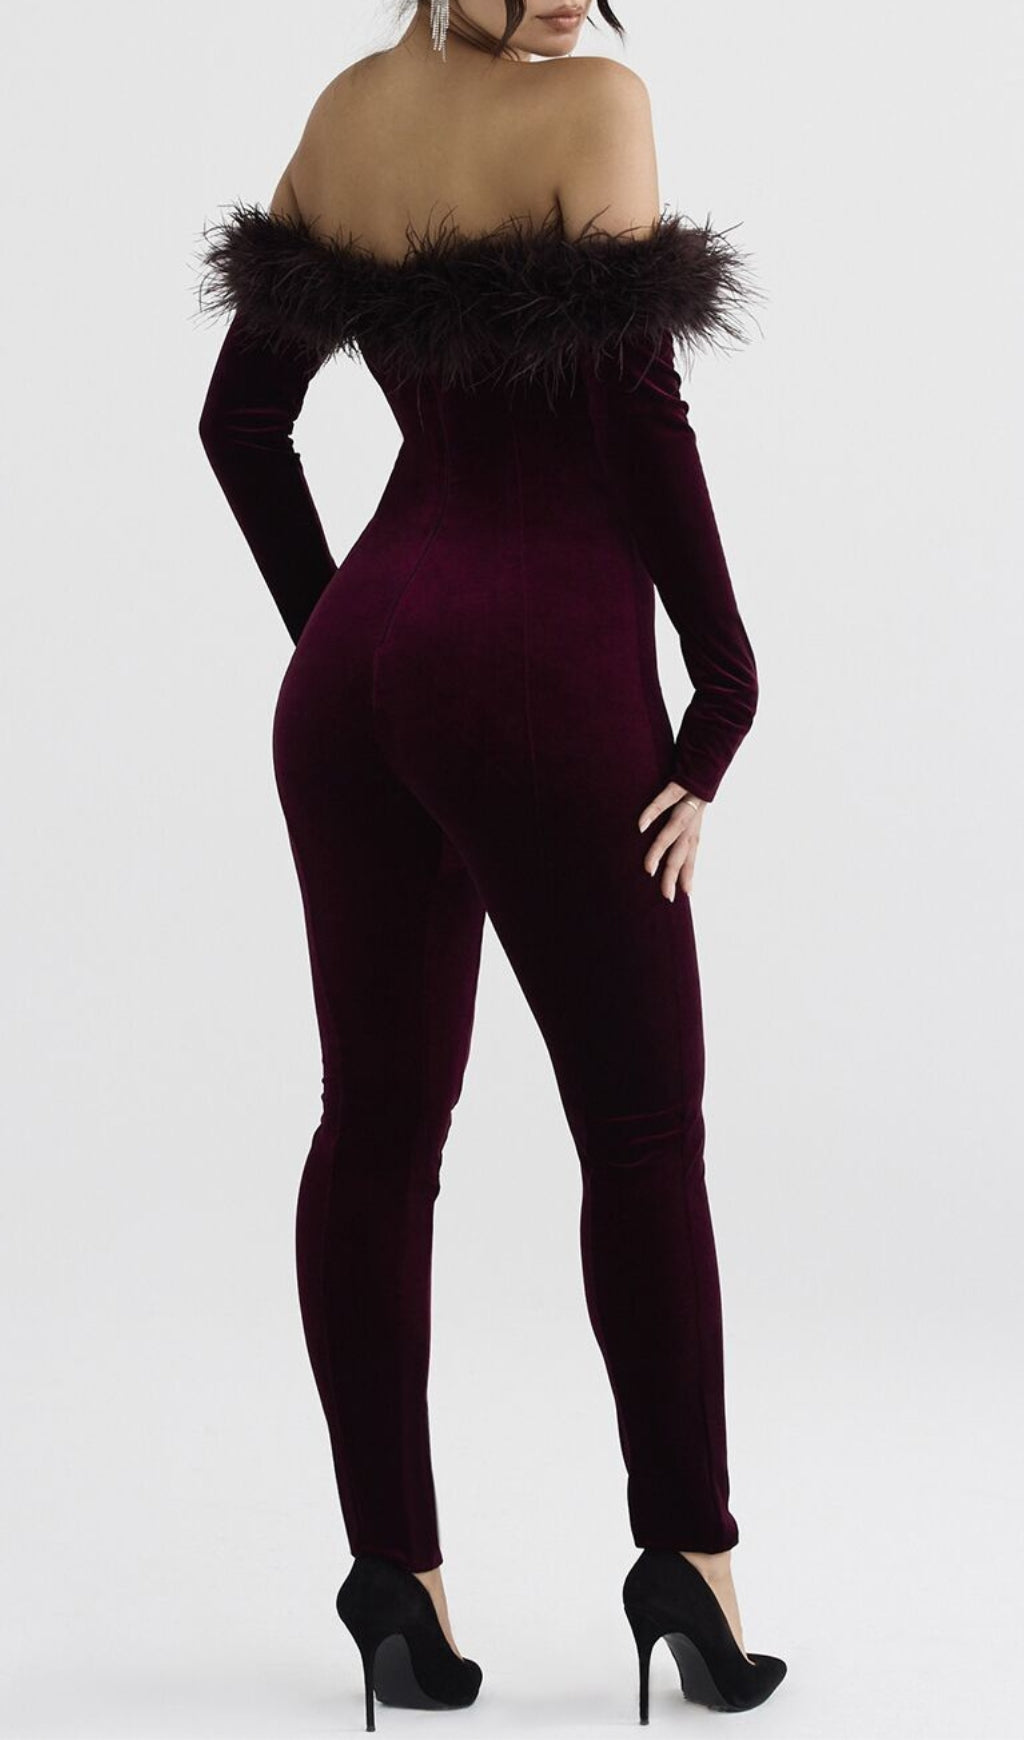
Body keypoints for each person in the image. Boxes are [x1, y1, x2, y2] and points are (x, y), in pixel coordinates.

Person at [194, 0, 787, 1725]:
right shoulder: (596, 107)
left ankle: (398, 1581)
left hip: (360, 665)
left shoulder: (343, 114)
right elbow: (638, 416)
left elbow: (241, 423)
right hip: (539, 659)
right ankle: (688, 1564)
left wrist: (358, 643)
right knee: (643, 1131)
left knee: (375, 1130)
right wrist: (725, 684)